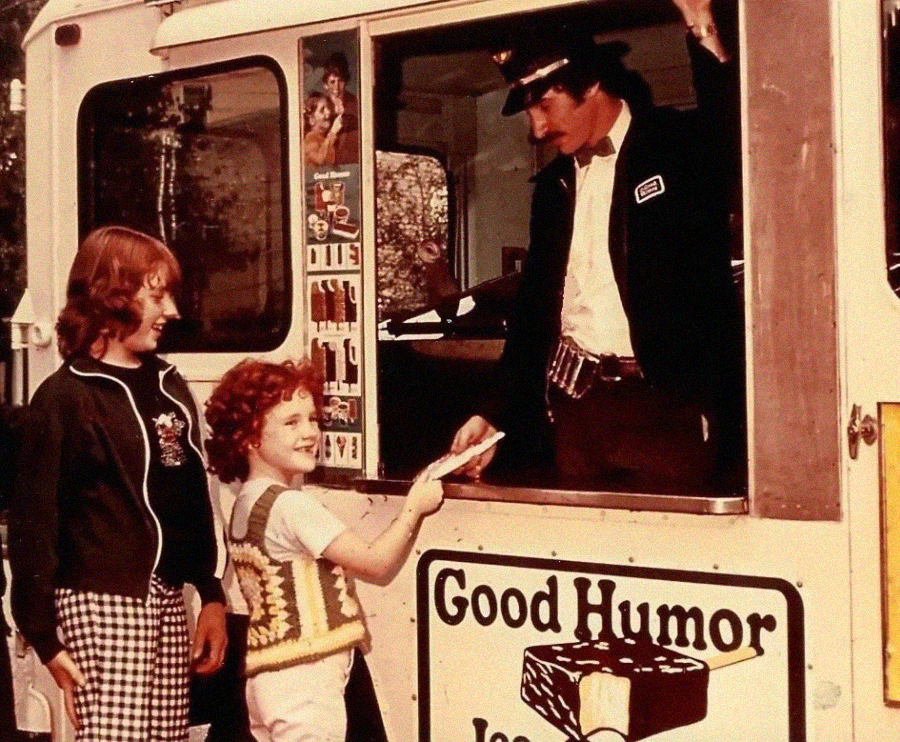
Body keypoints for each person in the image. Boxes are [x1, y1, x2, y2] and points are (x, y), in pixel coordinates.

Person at [450, 0, 745, 493]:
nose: (537, 129)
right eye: (530, 110)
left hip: (666, 410)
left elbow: (735, 127)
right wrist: (492, 413)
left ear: (591, 85)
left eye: (545, 105)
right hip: (577, 411)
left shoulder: (676, 146)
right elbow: (534, 311)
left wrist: (700, 26)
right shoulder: (553, 187)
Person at [8, 226, 227, 741]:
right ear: (111, 298)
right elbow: (33, 527)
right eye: (157, 295)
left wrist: (211, 593)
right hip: (101, 607)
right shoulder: (66, 397)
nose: (171, 310)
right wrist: (45, 640)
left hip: (167, 602)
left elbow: (189, 498)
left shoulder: (167, 386)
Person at [204, 358, 443, 742]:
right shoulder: (292, 506)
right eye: (291, 422)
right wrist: (414, 506)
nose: (310, 432)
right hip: (305, 676)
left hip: (265, 677)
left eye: (312, 419)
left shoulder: (245, 503)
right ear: (249, 437)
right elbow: (375, 563)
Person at [322, 51, 360, 165]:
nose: (336, 87)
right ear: (325, 85)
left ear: (346, 81)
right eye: (332, 82)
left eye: (341, 81)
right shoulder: (319, 108)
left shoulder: (356, 104)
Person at [304, 92, 341, 167]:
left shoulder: (323, 138)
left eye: (328, 108)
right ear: (312, 120)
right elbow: (319, 160)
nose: (328, 112)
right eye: (322, 110)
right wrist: (333, 132)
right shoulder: (310, 139)